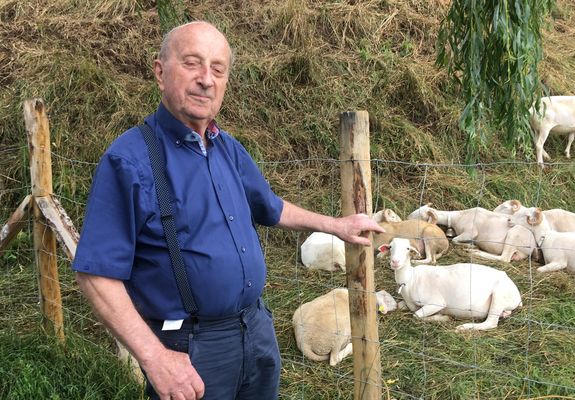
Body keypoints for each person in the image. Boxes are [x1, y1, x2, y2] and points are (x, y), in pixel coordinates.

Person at [72, 20, 384, 400]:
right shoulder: (129, 160)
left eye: (218, 69)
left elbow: (271, 208)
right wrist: (155, 358)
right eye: (192, 63)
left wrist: (336, 224)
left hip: (256, 330)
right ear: (159, 71)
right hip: (189, 346)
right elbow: (95, 274)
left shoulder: (228, 148)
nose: (206, 78)